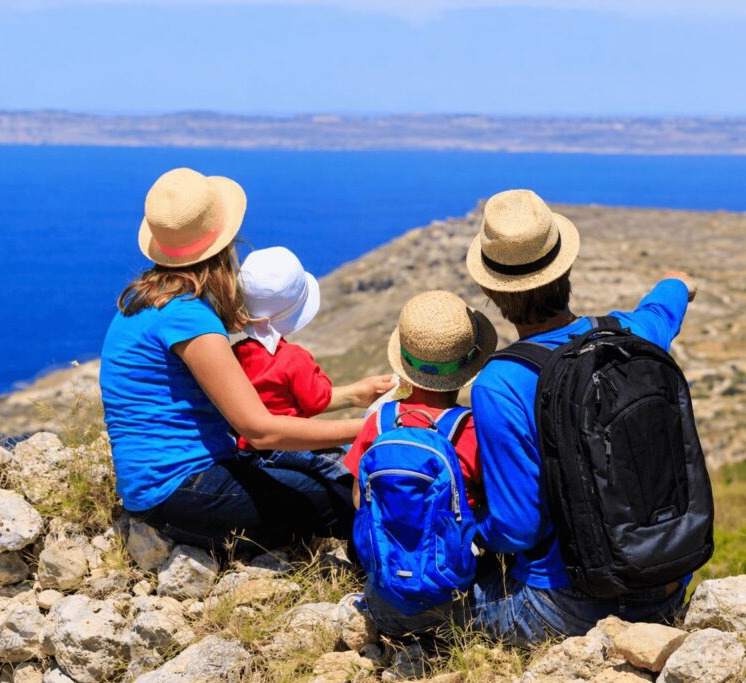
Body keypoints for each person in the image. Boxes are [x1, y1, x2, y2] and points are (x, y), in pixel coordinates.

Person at [100, 167, 392, 554]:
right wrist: (371, 427)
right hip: (182, 490)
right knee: (345, 497)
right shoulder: (188, 317)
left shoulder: (148, 302)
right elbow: (261, 430)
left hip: (162, 487)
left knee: (309, 478)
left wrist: (350, 396)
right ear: (224, 246)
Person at [464, 189, 698, 645]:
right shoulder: (630, 334)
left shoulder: (500, 383)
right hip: (664, 585)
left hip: (565, 607)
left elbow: (518, 526)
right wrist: (677, 281)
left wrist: (476, 534)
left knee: (443, 596)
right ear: (565, 269)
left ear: (491, 291)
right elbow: (668, 299)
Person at [344, 290, 497, 635]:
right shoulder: (471, 429)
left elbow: (358, 500)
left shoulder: (379, 422)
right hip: (454, 602)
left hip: (383, 602)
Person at [232, 246, 394, 452]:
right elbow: (315, 400)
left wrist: (355, 393)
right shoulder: (294, 357)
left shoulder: (236, 352)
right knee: (347, 468)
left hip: (244, 450)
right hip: (288, 448)